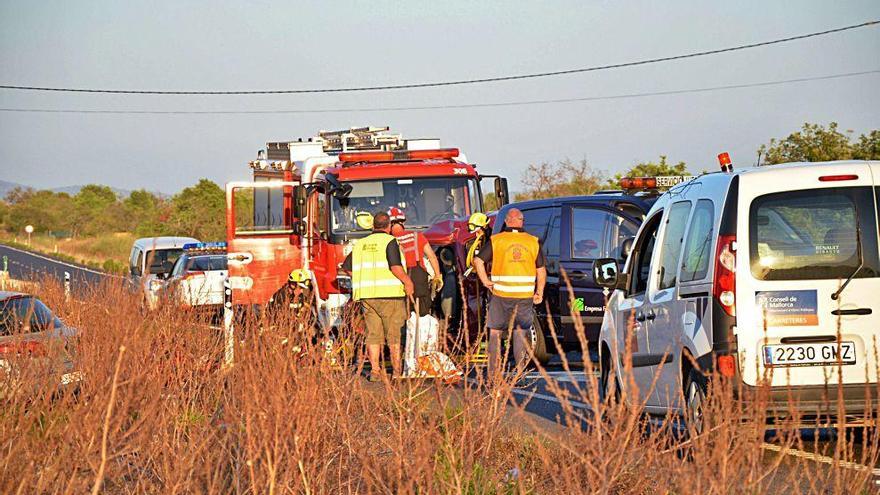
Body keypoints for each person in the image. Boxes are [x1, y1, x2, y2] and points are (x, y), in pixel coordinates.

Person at [472, 208, 547, 379]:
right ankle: (519, 372)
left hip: (500, 294)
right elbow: (541, 271)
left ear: (506, 221)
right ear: (522, 221)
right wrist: (539, 292)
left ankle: (492, 375)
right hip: (524, 295)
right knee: (520, 332)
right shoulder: (532, 242)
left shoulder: (496, 240)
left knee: (495, 332)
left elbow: (478, 261)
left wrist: (486, 281)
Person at [342, 211, 414, 381]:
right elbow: (395, 267)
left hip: (367, 296)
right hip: (390, 295)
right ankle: (396, 371)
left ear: (373, 226)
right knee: (394, 334)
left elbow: (347, 267)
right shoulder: (390, 241)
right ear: (388, 227)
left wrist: (362, 278)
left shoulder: (361, 244)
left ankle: (375, 371)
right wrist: (408, 282)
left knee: (373, 334)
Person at [388, 207, 442, 317]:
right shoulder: (417, 236)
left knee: (401, 313)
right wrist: (437, 276)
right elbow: (431, 256)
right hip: (418, 278)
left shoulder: (388, 240)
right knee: (422, 313)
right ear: (403, 222)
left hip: (397, 277)